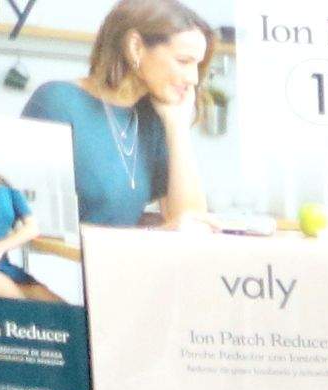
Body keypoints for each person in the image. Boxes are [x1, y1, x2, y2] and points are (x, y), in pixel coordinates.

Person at [22, 0, 209, 234]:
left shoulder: (154, 116)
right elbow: (33, 224)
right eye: (183, 61)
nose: (193, 78)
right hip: (62, 266)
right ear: (135, 47)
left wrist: (177, 127)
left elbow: (191, 224)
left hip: (119, 264)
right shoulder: (56, 103)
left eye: (197, 65)